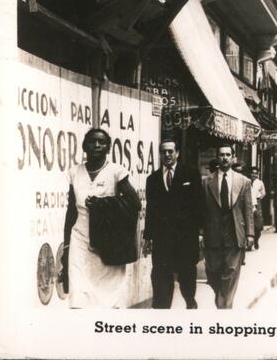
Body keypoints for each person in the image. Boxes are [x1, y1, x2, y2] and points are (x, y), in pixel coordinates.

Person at [62, 128, 140, 308]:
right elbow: (71, 211)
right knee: (78, 295)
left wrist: (103, 203)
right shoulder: (74, 172)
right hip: (80, 239)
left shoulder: (116, 171)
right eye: (92, 141)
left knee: (107, 300)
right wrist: (66, 244)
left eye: (102, 142)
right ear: (84, 146)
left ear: (108, 148)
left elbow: (134, 203)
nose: (97, 145)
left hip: (108, 242)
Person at [143, 136, 205, 309]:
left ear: (177, 153)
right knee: (161, 277)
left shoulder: (191, 173)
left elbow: (199, 204)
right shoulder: (153, 179)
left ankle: (190, 303)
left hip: (186, 237)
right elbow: (151, 210)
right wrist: (148, 237)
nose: (167, 155)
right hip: (162, 238)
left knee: (186, 278)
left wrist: (200, 233)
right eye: (164, 152)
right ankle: (162, 313)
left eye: (171, 151)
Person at [202, 144, 254, 309]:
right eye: (221, 154)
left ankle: (225, 306)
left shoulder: (244, 182)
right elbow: (201, 210)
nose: (224, 158)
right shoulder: (206, 182)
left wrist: (250, 234)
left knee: (231, 272)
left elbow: (248, 209)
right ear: (217, 158)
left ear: (233, 158)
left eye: (228, 155)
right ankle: (221, 298)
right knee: (213, 272)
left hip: (234, 232)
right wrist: (200, 233)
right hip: (213, 233)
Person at [248, 167, 266, 249]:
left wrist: (258, 199)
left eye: (256, 173)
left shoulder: (260, 182)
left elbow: (263, 193)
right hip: (248, 204)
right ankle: (249, 243)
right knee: (249, 223)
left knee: (258, 225)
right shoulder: (247, 182)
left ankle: (256, 240)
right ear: (250, 173)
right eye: (252, 173)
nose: (254, 175)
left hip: (257, 204)